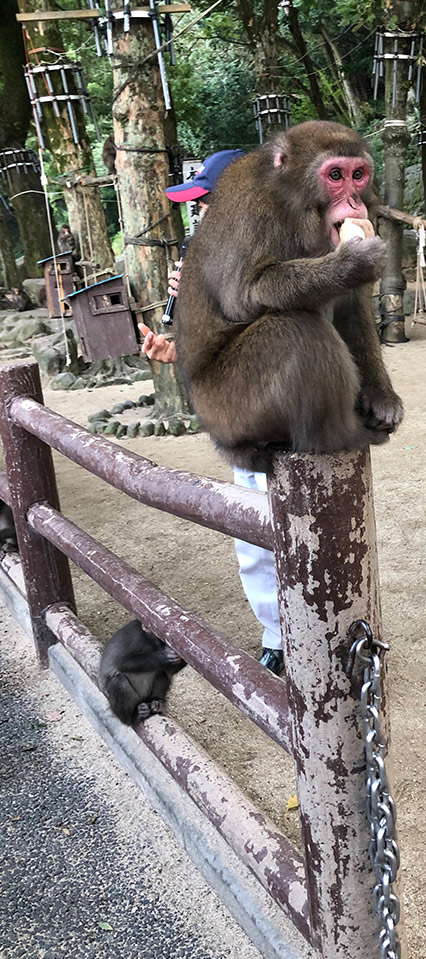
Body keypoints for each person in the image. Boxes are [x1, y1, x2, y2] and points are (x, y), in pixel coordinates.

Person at [138, 149, 285, 676]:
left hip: (291, 416)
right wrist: (180, 344)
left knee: (308, 530)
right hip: (244, 418)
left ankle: (333, 633)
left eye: (206, 204)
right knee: (253, 535)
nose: (198, 217)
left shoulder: (285, 246)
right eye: (196, 207)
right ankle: (278, 636)